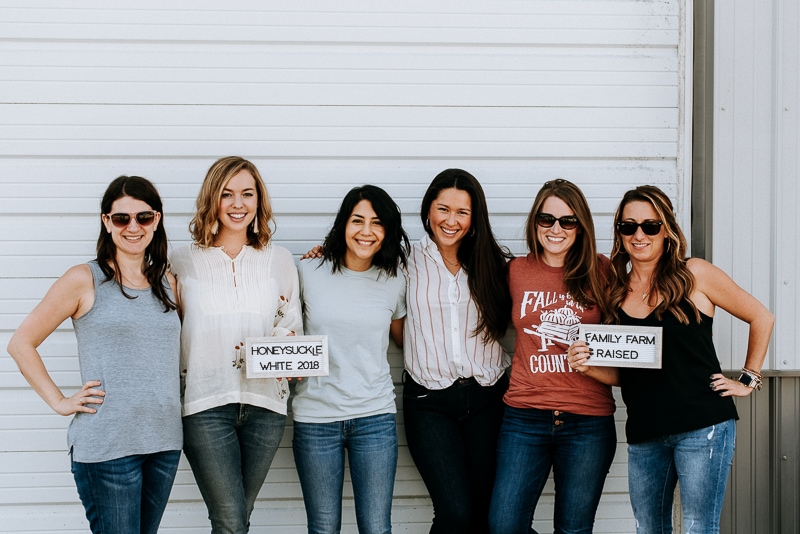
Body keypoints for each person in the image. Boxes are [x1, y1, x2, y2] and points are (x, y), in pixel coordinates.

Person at [577, 184, 773, 533]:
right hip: (645, 431)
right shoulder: (615, 291)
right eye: (628, 226)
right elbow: (629, 373)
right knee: (649, 528)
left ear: (666, 230)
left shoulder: (695, 274)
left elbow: (761, 317)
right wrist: (588, 366)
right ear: (620, 232)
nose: (639, 235)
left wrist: (748, 378)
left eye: (650, 226)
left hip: (703, 426)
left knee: (699, 527)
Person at [7, 176, 182, 533]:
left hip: (164, 442)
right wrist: (59, 401)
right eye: (122, 218)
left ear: (157, 219)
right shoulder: (84, 279)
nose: (133, 227)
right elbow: (21, 343)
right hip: (107, 446)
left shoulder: (168, 281)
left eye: (143, 217)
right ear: (107, 222)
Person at [170, 156, 303, 533]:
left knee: (238, 517)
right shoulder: (180, 262)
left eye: (247, 193)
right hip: (205, 404)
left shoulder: (279, 260)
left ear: (259, 201)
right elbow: (169, 330)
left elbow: (290, 323)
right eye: (226, 194)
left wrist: (279, 350)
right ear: (211, 200)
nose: (238, 203)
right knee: (230, 518)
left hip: (266, 407)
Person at [489, 179, 618, 534]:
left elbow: (626, 361)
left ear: (582, 226)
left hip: (587, 420)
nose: (556, 229)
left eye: (568, 221)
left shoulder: (602, 271)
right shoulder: (515, 271)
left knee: (574, 530)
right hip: (524, 416)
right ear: (535, 223)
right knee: (504, 525)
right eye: (546, 219)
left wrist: (593, 366)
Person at [292, 185, 409, 534]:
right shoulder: (307, 272)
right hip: (316, 418)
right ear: (343, 224)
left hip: (374, 417)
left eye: (376, 223)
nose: (366, 231)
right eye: (357, 220)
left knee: (376, 527)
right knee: (324, 527)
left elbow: (406, 343)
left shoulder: (396, 278)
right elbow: (285, 332)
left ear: (387, 230)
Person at [403, 168, 513, 533]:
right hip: (429, 400)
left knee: (487, 512)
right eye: (443, 209)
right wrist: (323, 252)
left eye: (462, 212)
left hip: (488, 397)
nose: (451, 221)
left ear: (474, 217)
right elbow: (380, 303)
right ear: (428, 210)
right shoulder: (403, 260)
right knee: (454, 513)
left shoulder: (493, 263)